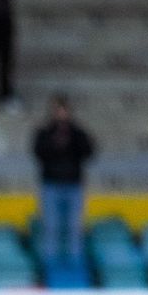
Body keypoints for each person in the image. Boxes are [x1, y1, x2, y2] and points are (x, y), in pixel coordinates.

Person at [32, 94, 94, 268]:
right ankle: (50, 264)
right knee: (51, 227)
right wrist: (54, 142)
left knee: (75, 227)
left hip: (73, 184)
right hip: (51, 183)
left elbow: (88, 152)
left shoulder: (77, 133)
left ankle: (75, 263)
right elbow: (38, 153)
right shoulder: (44, 132)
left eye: (63, 110)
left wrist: (72, 137)